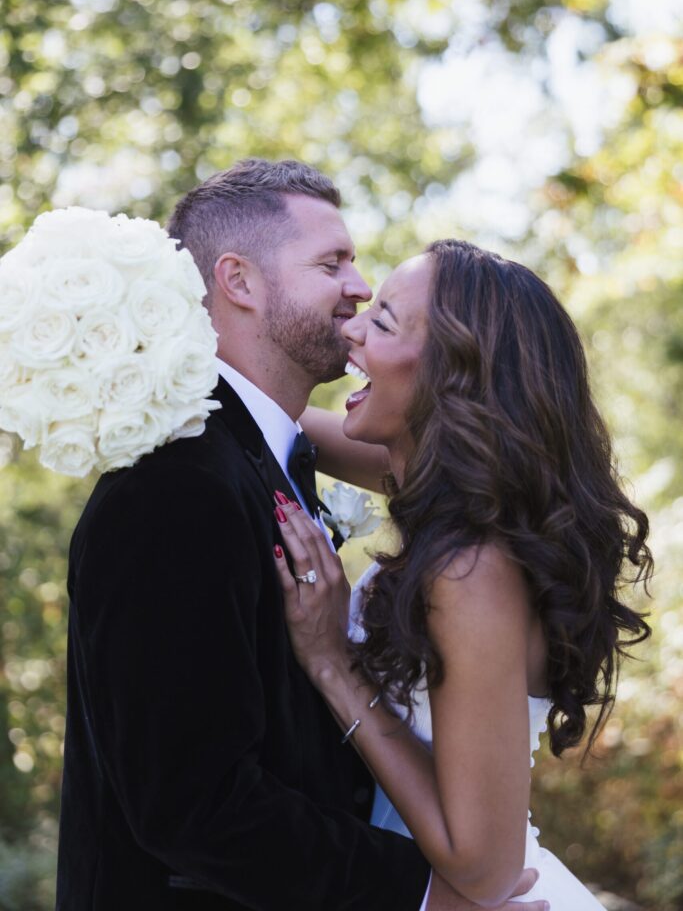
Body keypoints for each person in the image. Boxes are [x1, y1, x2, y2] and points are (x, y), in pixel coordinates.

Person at [56, 163, 546, 911]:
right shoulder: (177, 487)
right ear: (239, 281)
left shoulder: (272, 457)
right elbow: (191, 805)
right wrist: (423, 899)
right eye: (332, 264)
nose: (359, 288)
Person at [273, 240, 653, 911]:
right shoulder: (455, 501)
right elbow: (266, 412)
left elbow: (484, 870)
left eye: (383, 322)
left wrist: (334, 664)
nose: (353, 329)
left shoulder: (470, 569)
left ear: (452, 374)